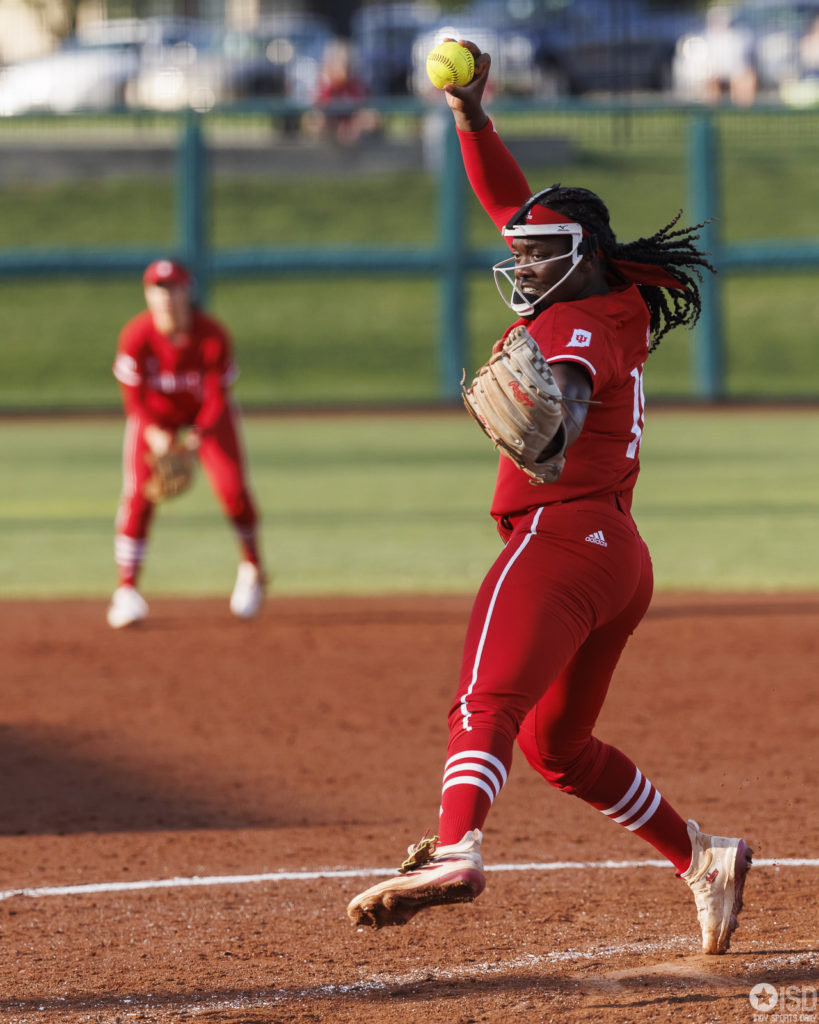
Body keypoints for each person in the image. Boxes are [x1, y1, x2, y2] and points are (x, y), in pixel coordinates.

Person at [347, 42, 752, 955]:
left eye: (537, 255)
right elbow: (511, 208)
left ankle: (454, 850)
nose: (520, 264)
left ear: (581, 258)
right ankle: (701, 857)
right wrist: (470, 117)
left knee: (482, 700)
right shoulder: (612, 296)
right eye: (519, 253)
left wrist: (555, 408)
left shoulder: (576, 324)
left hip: (558, 543)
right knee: (556, 748)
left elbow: (568, 376)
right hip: (618, 559)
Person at [107, 258, 265, 629]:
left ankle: (252, 568)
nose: (165, 297)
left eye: (173, 288)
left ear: (187, 292)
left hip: (205, 418)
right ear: (147, 295)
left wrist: (196, 438)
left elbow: (217, 396)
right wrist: (154, 434)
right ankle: (126, 590)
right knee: (138, 495)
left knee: (233, 492)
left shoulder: (211, 335)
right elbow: (134, 400)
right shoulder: (136, 336)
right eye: (157, 289)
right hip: (155, 419)